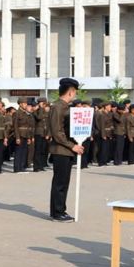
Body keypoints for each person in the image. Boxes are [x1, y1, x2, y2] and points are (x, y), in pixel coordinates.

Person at [48, 78, 83, 222]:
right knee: (60, 183)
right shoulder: (58, 107)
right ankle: (57, 212)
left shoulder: (65, 107)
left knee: (64, 182)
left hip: (66, 150)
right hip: (61, 150)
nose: (74, 96)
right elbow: (57, 132)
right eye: (74, 93)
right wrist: (72, 145)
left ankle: (60, 210)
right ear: (71, 92)